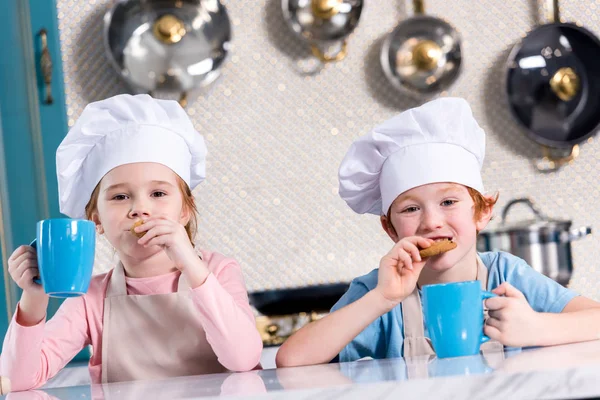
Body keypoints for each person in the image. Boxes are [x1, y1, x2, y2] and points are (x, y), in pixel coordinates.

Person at [276, 97, 600, 367]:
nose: (431, 222)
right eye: (411, 208)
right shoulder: (380, 290)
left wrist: (537, 328)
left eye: (448, 201)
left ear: (482, 212)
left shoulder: (507, 275)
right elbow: (291, 360)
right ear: (390, 228)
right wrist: (382, 299)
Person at [2, 94, 263, 390]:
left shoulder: (219, 271)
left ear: (185, 211)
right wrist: (35, 295)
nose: (140, 208)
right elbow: (17, 381)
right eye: (120, 197)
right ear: (96, 220)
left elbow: (243, 359)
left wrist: (190, 263)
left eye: (158, 194)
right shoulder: (90, 299)